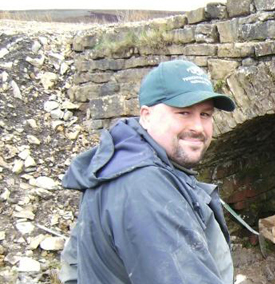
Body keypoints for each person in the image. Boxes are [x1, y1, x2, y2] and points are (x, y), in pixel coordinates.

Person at [59, 60, 236, 284]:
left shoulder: (122, 164)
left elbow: (74, 266)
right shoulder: (144, 189)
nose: (198, 127)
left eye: (205, 115)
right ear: (146, 115)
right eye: (183, 112)